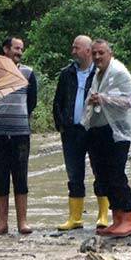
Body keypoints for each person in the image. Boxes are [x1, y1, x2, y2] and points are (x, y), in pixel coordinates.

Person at [84, 39, 131, 237]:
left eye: (101, 53)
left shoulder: (119, 72)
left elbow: (129, 101)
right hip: (99, 131)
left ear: (110, 53)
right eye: (94, 53)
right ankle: (117, 218)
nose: (97, 57)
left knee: (116, 174)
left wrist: (103, 98)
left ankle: (129, 217)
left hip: (117, 132)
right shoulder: (97, 74)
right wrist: (94, 99)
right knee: (103, 177)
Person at [52, 35, 108, 231]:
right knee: (74, 174)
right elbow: (57, 101)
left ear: (87, 51)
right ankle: (75, 218)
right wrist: (61, 124)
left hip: (94, 129)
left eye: (76, 48)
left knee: (100, 171)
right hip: (71, 131)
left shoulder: (101, 73)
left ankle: (103, 216)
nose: (73, 51)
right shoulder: (66, 74)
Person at [0, 36, 38, 236]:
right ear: (5, 49)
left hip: (20, 133)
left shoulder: (28, 73)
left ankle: (22, 222)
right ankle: (1, 223)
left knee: (21, 177)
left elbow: (31, 102)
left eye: (21, 49)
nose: (19, 52)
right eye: (16, 48)